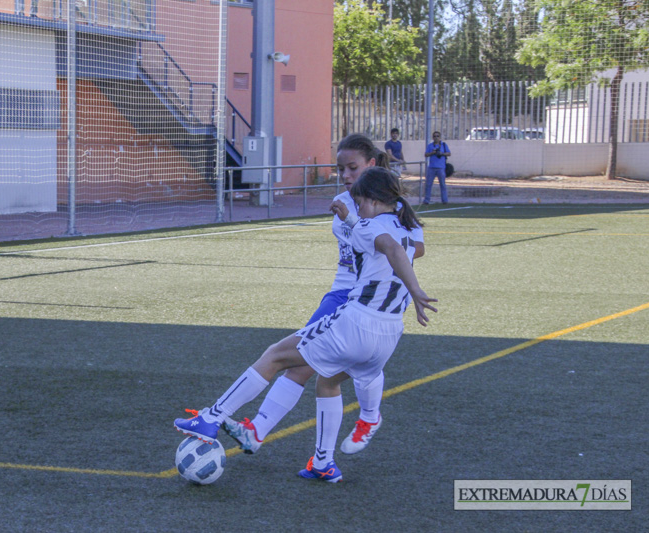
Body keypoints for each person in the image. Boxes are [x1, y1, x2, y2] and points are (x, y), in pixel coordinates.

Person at [174, 167, 437, 482]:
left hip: (357, 323)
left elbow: (385, 246)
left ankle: (211, 417)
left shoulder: (372, 224)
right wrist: (352, 221)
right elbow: (392, 245)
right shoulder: (404, 226)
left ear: (371, 199)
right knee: (328, 381)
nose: (357, 209)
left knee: (275, 356)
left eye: (359, 203)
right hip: (389, 334)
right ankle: (324, 462)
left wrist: (417, 290)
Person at [221, 133, 423, 457]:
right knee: (312, 370)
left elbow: (408, 247)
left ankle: (362, 421)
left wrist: (387, 241)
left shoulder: (387, 207)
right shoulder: (348, 204)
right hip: (343, 294)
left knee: (310, 364)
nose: (345, 175)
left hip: (367, 302)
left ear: (372, 165)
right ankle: (295, 446)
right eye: (340, 168)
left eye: (352, 167)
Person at [423, 131, 450, 205]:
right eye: (434, 136)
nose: (436, 137)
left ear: (440, 137)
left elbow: (449, 153)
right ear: (433, 137)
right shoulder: (430, 146)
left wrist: (442, 153)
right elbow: (426, 154)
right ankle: (426, 200)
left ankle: (444, 200)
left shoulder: (444, 145)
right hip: (431, 167)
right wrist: (432, 153)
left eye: (437, 136)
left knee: (442, 184)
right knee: (428, 184)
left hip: (441, 168)